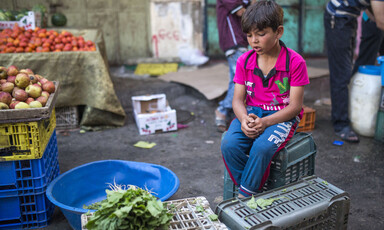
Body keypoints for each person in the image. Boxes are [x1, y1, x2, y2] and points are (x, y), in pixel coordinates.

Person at [221, 0, 309, 198]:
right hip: (252, 113)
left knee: (262, 147)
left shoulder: (295, 62)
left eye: (261, 34)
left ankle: (245, 196)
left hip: (281, 116)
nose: (254, 41)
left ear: (278, 32)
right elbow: (237, 100)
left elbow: (295, 107)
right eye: (249, 35)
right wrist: (244, 119)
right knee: (229, 144)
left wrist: (266, 122)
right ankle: (254, 189)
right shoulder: (245, 60)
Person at [324, 0, 384, 142]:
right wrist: (378, 20)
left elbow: (371, 11)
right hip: (337, 18)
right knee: (341, 73)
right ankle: (341, 124)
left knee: (344, 71)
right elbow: (381, 22)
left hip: (348, 18)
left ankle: (345, 114)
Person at [215, 0, 251, 132]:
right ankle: (222, 110)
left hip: (240, 41)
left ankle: (228, 112)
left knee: (235, 79)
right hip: (234, 42)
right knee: (240, 80)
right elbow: (246, 14)